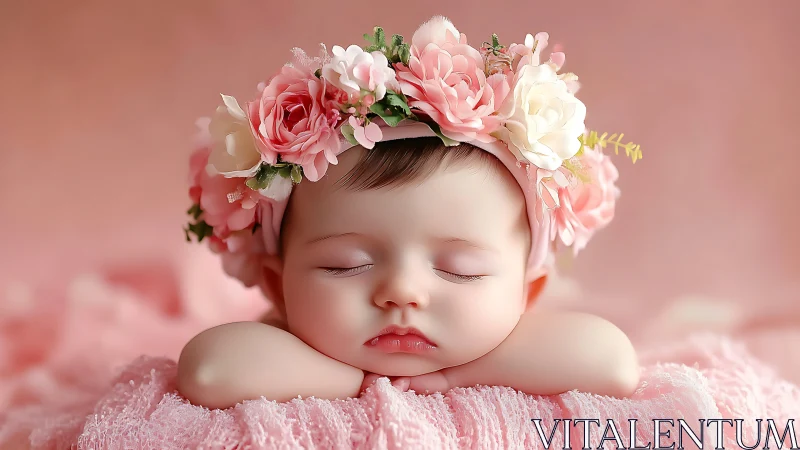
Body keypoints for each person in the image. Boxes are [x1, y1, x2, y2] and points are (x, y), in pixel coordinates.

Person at [176, 16, 642, 409]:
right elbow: (211, 369)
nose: (401, 292)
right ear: (279, 286)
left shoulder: (517, 341)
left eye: (461, 270)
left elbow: (614, 365)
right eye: (347, 265)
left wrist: (453, 377)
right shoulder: (278, 346)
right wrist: (355, 381)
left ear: (527, 291)